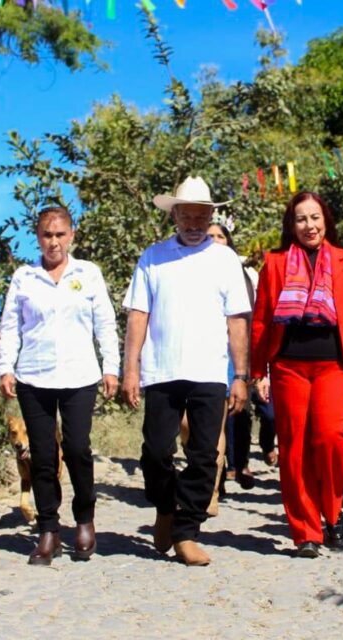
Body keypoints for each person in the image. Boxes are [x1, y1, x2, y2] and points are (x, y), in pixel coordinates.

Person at [122, 176, 251, 567]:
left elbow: (238, 320)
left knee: (204, 456)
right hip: (161, 370)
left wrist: (241, 375)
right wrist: (130, 368)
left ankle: (186, 531)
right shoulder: (153, 257)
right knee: (156, 451)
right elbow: (138, 314)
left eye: (201, 216)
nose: (194, 223)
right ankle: (165, 506)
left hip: (210, 371)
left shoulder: (226, 260)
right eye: (187, 215)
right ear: (174, 215)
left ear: (211, 215)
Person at [251, 191, 343, 558]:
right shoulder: (274, 264)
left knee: (330, 439)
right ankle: (306, 530)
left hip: (334, 366)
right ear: (292, 225)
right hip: (288, 365)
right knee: (293, 448)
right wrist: (258, 370)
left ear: (326, 220)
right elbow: (261, 321)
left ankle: (334, 511)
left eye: (315, 217)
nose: (309, 225)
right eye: (301, 219)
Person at [0, 206, 120, 565]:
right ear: (37, 237)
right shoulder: (25, 277)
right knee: (44, 456)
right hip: (34, 376)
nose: (54, 242)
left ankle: (84, 518)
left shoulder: (88, 274)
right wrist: (6, 366)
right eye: (47, 235)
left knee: (78, 449)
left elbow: (105, 324)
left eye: (60, 234)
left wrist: (110, 367)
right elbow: (10, 326)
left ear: (72, 235)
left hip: (79, 375)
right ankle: (48, 530)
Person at [206, 221, 270, 492]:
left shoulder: (246, 275)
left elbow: (254, 317)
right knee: (211, 415)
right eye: (210, 236)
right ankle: (217, 474)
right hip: (206, 349)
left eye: (221, 236)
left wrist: (257, 363)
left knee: (238, 411)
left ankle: (240, 462)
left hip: (237, 349)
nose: (215, 240)